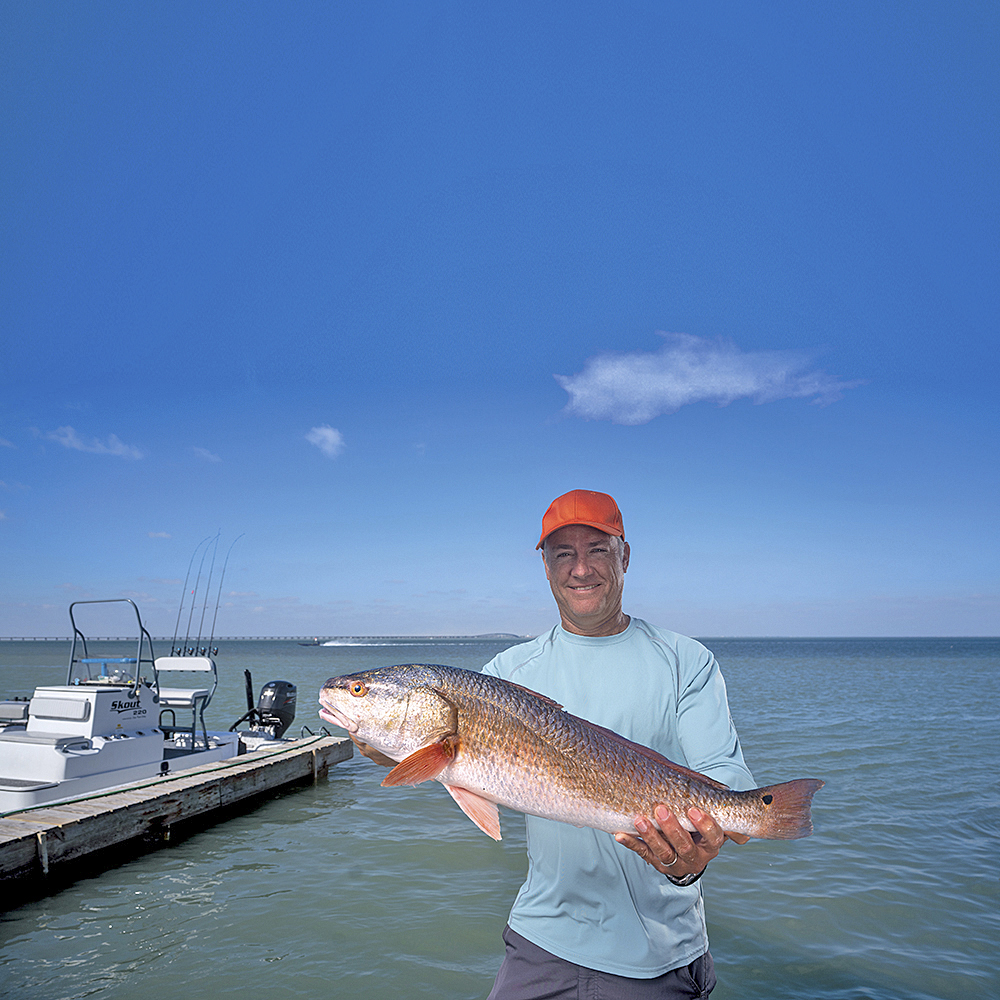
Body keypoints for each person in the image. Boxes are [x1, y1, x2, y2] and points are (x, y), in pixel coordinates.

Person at [480, 489, 755, 999]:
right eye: (563, 553)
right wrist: (388, 745)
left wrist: (698, 846)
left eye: (597, 550)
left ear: (625, 556)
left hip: (661, 954)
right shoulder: (503, 677)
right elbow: (465, 773)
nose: (581, 569)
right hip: (541, 941)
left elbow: (726, 775)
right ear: (544, 566)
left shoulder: (685, 660)